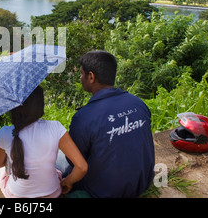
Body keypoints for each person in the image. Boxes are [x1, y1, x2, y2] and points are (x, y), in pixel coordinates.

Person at [60, 50, 155, 198]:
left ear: (91, 77)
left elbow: (75, 162)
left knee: (60, 159)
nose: (80, 78)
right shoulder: (138, 103)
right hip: (141, 183)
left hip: (104, 192)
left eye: (81, 74)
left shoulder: (83, 117)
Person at [0, 85, 88, 198]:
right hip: (53, 193)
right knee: (56, 170)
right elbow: (82, 167)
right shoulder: (55, 128)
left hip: (18, 195)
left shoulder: (5, 133)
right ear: (40, 106)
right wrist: (67, 182)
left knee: (0, 173)